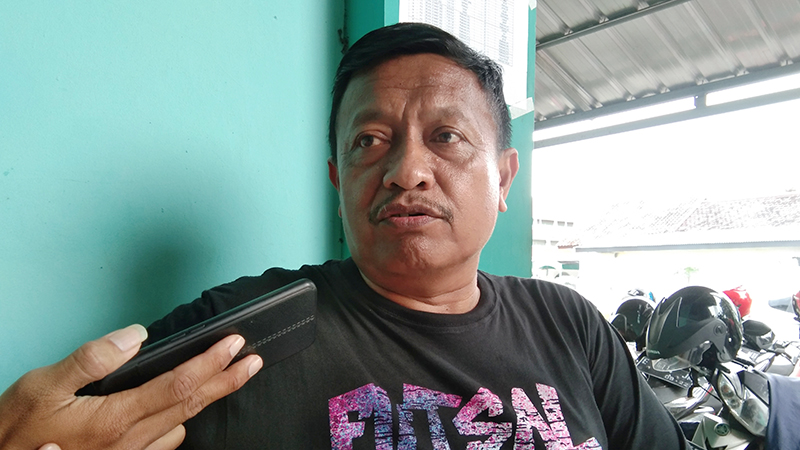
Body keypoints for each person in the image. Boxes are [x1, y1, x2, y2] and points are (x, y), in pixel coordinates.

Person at [0, 23, 689, 449]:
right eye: (369, 140)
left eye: (446, 136)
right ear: (338, 178)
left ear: (504, 178)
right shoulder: (248, 329)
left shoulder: (569, 324)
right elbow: (67, 425)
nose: (406, 170)